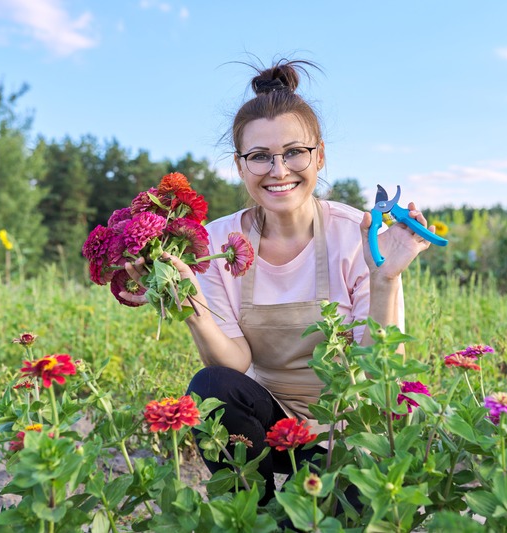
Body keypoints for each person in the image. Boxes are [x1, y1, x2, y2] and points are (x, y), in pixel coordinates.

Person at [122, 59, 435, 500]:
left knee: (328, 514)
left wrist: (387, 280)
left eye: (294, 152)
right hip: (268, 422)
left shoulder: (356, 235)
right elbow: (231, 365)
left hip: (349, 426)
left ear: (319, 155)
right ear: (240, 165)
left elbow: (383, 372)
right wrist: (192, 311)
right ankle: (251, 505)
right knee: (211, 387)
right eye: (260, 157)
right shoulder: (216, 242)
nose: (279, 169)